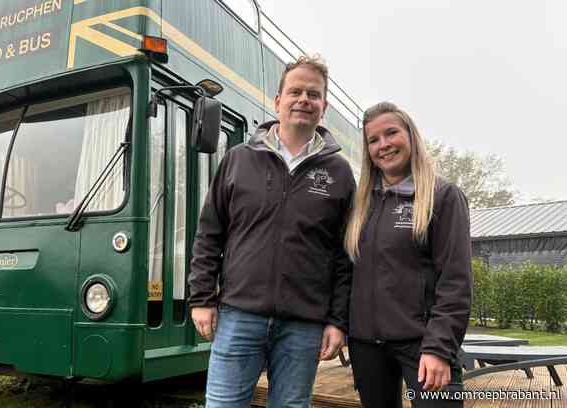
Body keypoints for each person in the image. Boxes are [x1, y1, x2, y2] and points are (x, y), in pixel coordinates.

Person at [188, 55, 355, 408]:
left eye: (314, 94)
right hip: (238, 315)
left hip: (304, 324)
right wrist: (202, 298)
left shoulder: (339, 173)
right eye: (295, 91)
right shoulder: (238, 159)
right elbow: (209, 234)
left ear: (323, 106)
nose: (304, 100)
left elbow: (344, 255)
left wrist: (338, 321)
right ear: (278, 100)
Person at [344, 102, 472, 408]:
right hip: (366, 348)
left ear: (411, 136)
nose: (383, 145)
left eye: (391, 133)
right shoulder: (360, 204)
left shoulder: (442, 196)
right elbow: (346, 273)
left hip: (424, 346)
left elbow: (455, 281)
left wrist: (439, 348)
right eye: (373, 140)